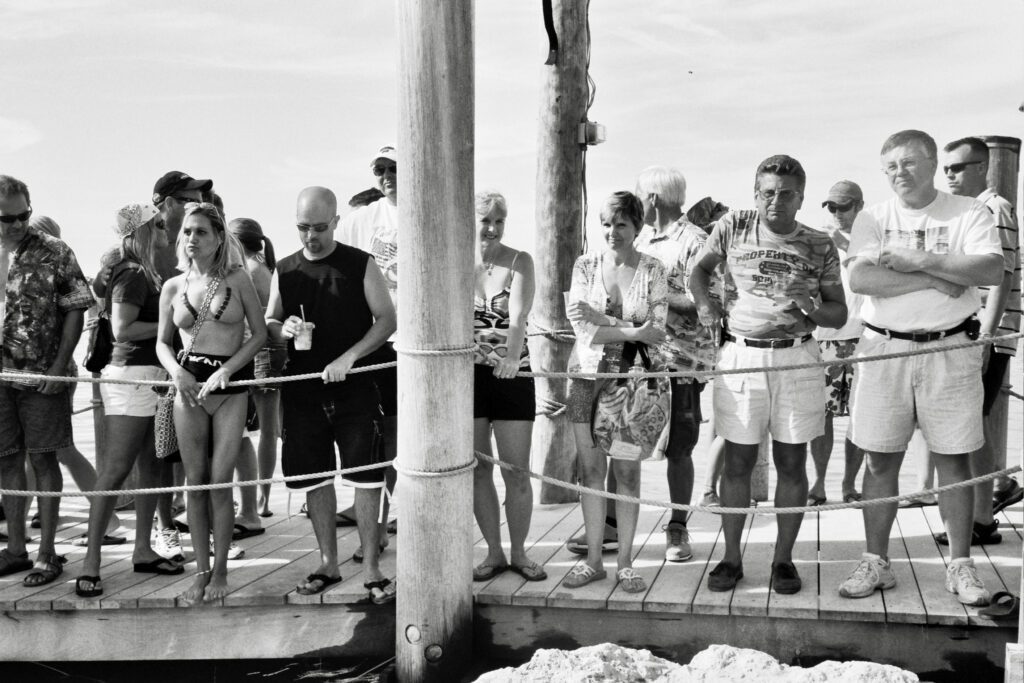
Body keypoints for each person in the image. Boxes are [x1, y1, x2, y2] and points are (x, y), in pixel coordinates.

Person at [839, 129, 1001, 606]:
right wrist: (938, 273)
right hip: (883, 350)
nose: (898, 174)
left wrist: (914, 259)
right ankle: (876, 561)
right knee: (878, 459)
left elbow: (990, 270)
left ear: (932, 162)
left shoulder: (969, 211)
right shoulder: (872, 217)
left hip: (949, 350)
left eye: (908, 163)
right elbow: (862, 277)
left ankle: (961, 566)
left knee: (953, 458)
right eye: (890, 167)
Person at [690, 155, 847, 595]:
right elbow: (698, 271)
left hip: (797, 357)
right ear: (756, 192)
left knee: (792, 462)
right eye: (767, 192)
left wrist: (811, 307)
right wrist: (705, 305)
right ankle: (732, 558)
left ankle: (783, 560)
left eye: (786, 193)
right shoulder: (733, 226)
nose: (776, 201)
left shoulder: (819, 244)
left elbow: (838, 314)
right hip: (740, 356)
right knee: (737, 461)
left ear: (802, 197)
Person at [265, 186, 397, 602]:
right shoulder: (285, 270)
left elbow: (387, 320)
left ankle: (373, 568)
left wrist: (350, 357)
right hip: (303, 390)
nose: (311, 237)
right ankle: (328, 564)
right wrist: (282, 329)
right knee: (315, 481)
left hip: (356, 388)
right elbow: (270, 319)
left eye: (319, 228)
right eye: (303, 228)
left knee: (366, 477)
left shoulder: (360, 264)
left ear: (336, 222)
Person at [156, 202, 266, 604]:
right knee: (195, 485)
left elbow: (258, 334)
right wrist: (176, 372)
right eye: (187, 231)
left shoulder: (238, 279)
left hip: (230, 389)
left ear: (219, 238)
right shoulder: (173, 286)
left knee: (220, 482)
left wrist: (228, 370)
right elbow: (162, 344)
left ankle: (221, 571)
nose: (192, 239)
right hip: (188, 389)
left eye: (201, 231)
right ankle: (201, 573)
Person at [76, 204, 184, 598]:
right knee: (117, 469)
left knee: (153, 468)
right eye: (157, 225)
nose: (164, 230)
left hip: (151, 378)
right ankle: (90, 562)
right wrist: (175, 324)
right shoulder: (134, 271)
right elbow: (123, 327)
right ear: (140, 232)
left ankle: (143, 548)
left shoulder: (147, 271)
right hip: (132, 378)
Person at [562, 191, 667, 593]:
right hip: (584, 380)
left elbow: (656, 332)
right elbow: (582, 330)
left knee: (626, 472)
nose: (612, 232)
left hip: (634, 386)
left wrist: (604, 320)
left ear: (637, 227)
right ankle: (593, 560)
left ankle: (624, 561)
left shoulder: (654, 268)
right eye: (606, 224)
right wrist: (630, 330)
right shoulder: (585, 264)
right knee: (590, 471)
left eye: (621, 224)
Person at [0, 175, 93, 585]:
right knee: (5, 461)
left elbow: (76, 307)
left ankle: (47, 553)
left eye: (24, 215)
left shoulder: (54, 251)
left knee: (44, 457)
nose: (17, 224)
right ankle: (16, 549)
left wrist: (59, 365)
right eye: (7, 218)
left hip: (42, 375)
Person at [926, 137, 1020, 544]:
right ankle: (979, 513)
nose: (949, 174)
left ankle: (980, 518)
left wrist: (985, 335)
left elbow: (1001, 274)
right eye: (946, 168)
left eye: (959, 167)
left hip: (985, 334)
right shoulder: (973, 210)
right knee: (972, 425)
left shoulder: (991, 208)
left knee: (970, 427)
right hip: (979, 331)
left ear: (983, 168)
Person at [633, 166, 719, 562]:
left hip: (681, 361)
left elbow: (711, 305)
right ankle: (615, 523)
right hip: (638, 356)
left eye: (639, 195)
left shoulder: (696, 240)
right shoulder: (639, 236)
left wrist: (655, 296)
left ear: (652, 198)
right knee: (623, 438)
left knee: (679, 448)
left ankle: (678, 526)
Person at [23, 215, 122, 541]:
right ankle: (19, 529)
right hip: (33, 374)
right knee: (31, 452)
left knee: (62, 449)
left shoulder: (52, 274)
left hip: (53, 373)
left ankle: (108, 521)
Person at [470, 191, 546, 582]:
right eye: (485, 220)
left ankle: (519, 553)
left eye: (500, 221)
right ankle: (494, 553)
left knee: (516, 471)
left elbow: (518, 318)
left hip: (512, 373)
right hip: (468, 378)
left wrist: (511, 359)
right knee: (479, 470)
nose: (492, 228)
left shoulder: (520, 261)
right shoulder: (456, 262)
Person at [337, 145, 399, 540]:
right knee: (373, 440)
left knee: (404, 441)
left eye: (395, 167)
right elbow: (333, 261)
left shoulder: (433, 209)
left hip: (416, 346)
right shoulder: (362, 218)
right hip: (373, 342)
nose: (387, 175)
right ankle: (374, 529)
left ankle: (408, 520)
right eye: (380, 168)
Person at [150, 171, 212, 561]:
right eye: (189, 197)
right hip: (153, 364)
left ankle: (201, 532)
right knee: (159, 455)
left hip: (196, 369)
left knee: (196, 460)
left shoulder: (201, 242)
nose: (197, 201)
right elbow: (113, 314)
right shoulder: (146, 243)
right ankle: (165, 528)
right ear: (168, 203)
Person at [808, 181, 867, 506]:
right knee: (821, 418)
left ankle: (849, 484)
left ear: (859, 205)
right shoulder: (818, 241)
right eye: (830, 207)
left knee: (861, 416)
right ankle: (818, 484)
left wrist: (844, 242)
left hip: (863, 338)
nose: (836, 213)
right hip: (824, 339)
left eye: (842, 206)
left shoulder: (873, 237)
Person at [229, 218, 283, 521]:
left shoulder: (249, 270)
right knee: (267, 428)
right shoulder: (262, 266)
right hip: (266, 350)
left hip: (261, 352)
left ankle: (261, 499)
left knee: (266, 429)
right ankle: (260, 497)